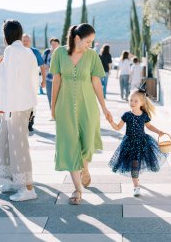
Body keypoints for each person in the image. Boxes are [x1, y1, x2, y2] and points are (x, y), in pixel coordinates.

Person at [50, 23, 112, 205]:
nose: (90, 45)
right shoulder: (59, 54)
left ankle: (85, 167)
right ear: (77, 39)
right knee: (70, 146)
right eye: (88, 41)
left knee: (86, 143)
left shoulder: (92, 56)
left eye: (92, 42)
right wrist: (53, 107)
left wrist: (104, 107)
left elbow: (96, 83)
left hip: (88, 107)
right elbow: (56, 81)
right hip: (65, 107)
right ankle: (77, 189)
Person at [0, 20, 38, 201]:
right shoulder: (27, 52)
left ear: (6, 35)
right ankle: (12, 180)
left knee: (18, 146)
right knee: (4, 142)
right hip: (17, 106)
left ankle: (27, 188)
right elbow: (32, 80)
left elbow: (8, 81)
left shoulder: (11, 51)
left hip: (14, 106)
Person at [108, 83, 168, 196]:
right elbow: (118, 127)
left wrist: (159, 132)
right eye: (131, 100)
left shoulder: (144, 115)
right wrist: (111, 122)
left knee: (137, 164)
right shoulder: (126, 115)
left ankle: (136, 180)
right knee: (134, 165)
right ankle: (136, 186)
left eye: (135, 101)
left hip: (142, 143)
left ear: (142, 103)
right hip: (129, 144)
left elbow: (149, 126)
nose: (132, 103)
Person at [22, 34, 46, 131]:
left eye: (27, 40)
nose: (26, 42)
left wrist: (44, 80)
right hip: (20, 83)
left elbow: (42, 66)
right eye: (24, 40)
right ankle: (22, 121)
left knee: (32, 103)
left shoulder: (35, 52)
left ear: (30, 42)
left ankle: (30, 122)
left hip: (33, 83)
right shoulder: (18, 52)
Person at [42, 37, 60, 114]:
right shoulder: (47, 53)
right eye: (52, 44)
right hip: (49, 79)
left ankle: (59, 112)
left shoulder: (61, 53)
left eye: (55, 44)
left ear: (58, 44)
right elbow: (41, 63)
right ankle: (53, 113)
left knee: (59, 95)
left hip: (59, 78)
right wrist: (44, 66)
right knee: (50, 95)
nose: (53, 45)